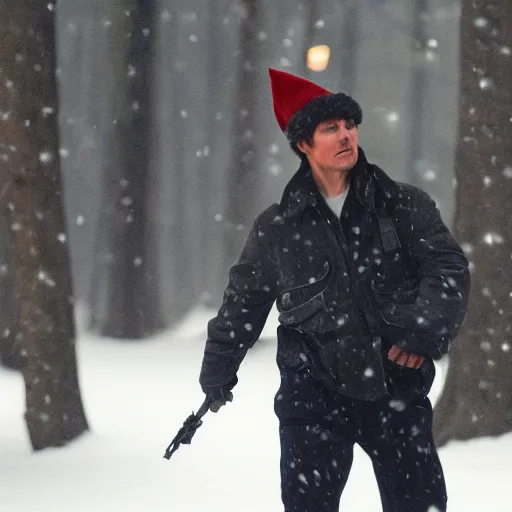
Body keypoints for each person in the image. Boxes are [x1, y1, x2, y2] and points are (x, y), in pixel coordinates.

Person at [198, 68, 470, 512]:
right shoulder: (278, 228)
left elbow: (448, 270)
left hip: (395, 387)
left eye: (349, 125)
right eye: (331, 128)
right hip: (313, 396)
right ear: (304, 144)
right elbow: (244, 302)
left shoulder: (402, 205)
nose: (346, 135)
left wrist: (423, 330)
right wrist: (218, 369)